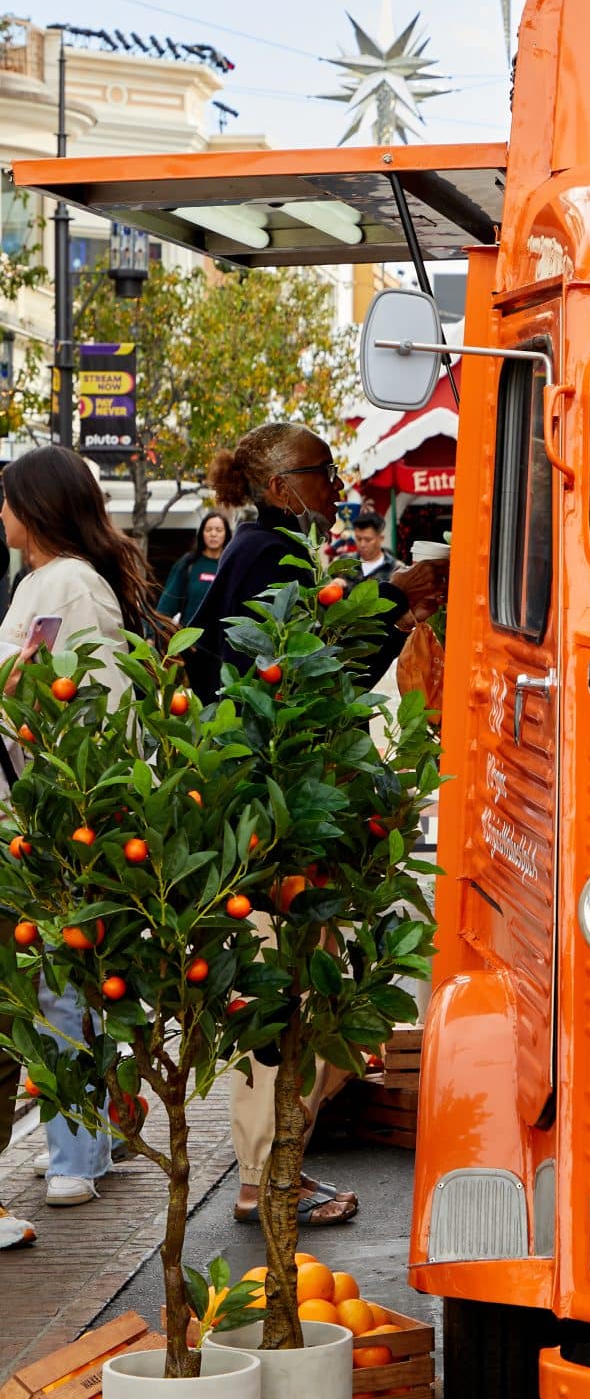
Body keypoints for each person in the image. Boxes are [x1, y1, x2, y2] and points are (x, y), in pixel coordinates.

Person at [194, 422, 444, 1231]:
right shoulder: (269, 555)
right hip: (272, 814)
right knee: (281, 991)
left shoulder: (261, 550)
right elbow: (294, 681)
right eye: (320, 471)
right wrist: (395, 597)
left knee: (291, 987)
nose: (334, 485)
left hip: (266, 809)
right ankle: (265, 1177)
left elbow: (316, 672)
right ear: (277, 487)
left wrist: (390, 609)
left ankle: (273, 1169)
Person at [0, 444, 160, 1221]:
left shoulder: (66, 583)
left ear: (36, 509)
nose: (0, 514)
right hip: (57, 810)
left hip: (66, 813)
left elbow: (87, 698)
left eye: (7, 500)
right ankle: (84, 1140)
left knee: (62, 984)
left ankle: (75, 1153)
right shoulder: (50, 580)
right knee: (68, 981)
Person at [159, 509, 230, 626]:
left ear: (226, 534)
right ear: (202, 533)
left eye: (219, 530)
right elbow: (167, 604)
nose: (213, 534)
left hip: (223, 635)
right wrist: (154, 632)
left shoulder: (232, 565)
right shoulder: (188, 563)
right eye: (208, 530)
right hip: (191, 635)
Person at [351, 508, 394, 586]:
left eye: (368, 540)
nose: (362, 545)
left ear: (381, 538)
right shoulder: (344, 564)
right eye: (358, 539)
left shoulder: (396, 569)